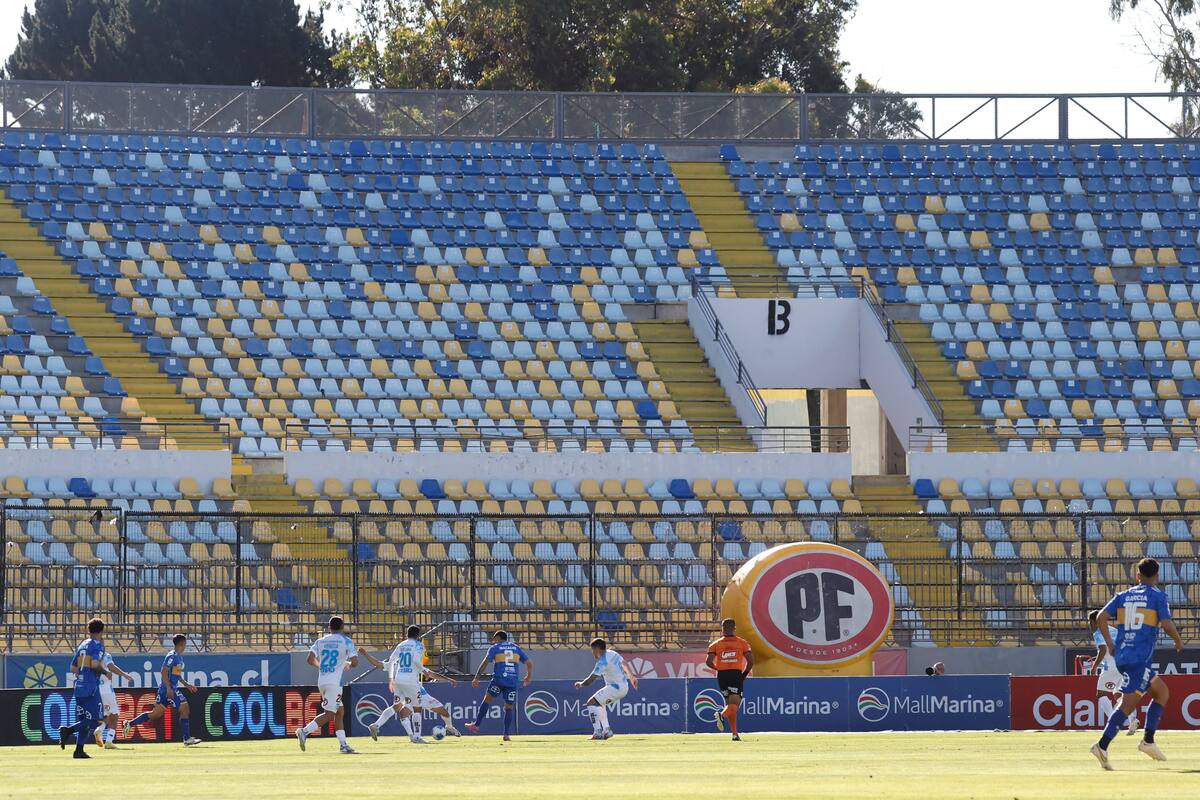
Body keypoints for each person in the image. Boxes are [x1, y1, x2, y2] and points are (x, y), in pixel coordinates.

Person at [1089, 558, 1184, 770]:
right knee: (1127, 705)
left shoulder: (1122, 596)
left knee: (1161, 692)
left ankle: (1148, 741)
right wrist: (1178, 640)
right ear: (1157, 577)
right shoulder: (1158, 596)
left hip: (1124, 656)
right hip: (1138, 658)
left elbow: (1101, 617)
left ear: (1138, 576)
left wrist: (1110, 644)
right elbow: (1166, 623)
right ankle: (1102, 746)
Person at [358, 625, 461, 743]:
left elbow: (384, 663)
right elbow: (422, 666)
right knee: (417, 708)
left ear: (407, 634)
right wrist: (425, 671)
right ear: (418, 636)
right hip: (411, 684)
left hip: (399, 681)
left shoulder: (400, 648)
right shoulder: (418, 647)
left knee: (396, 707)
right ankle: (416, 737)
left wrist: (365, 654)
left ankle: (376, 725)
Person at [123, 634, 200, 746]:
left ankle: (129, 724)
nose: (185, 646)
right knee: (185, 708)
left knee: (155, 714)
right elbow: (163, 671)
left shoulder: (179, 657)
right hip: (169, 688)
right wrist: (168, 687)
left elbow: (176, 674)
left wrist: (186, 684)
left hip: (167, 688)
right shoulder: (172, 656)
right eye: (185, 644)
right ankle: (187, 738)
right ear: (182, 644)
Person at [297, 615, 358, 754]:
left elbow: (310, 659)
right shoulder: (346, 641)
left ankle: (343, 745)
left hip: (323, 681)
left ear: (329, 627)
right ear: (342, 627)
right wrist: (348, 664)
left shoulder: (320, 641)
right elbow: (355, 662)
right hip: (335, 683)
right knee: (330, 713)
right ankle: (304, 731)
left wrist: (322, 667)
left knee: (340, 711)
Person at [464, 630, 532, 741]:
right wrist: (528, 677)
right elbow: (529, 663)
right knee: (509, 707)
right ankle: (506, 734)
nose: (494, 641)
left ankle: (476, 725)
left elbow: (485, 662)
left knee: (487, 699)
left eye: (495, 639)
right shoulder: (516, 648)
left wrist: (477, 677)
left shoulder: (495, 648)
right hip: (512, 681)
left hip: (499, 680)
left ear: (499, 638)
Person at [58, 617, 107, 759]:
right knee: (96, 720)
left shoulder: (83, 645)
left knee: (84, 721)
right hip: (90, 688)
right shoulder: (97, 645)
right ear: (102, 631)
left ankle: (79, 750)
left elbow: (73, 668)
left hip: (79, 686)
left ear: (89, 630)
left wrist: (83, 674)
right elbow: (95, 665)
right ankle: (67, 730)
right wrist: (106, 672)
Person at [1087, 609, 1137, 736]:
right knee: (1118, 695)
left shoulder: (1098, 632)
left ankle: (1113, 724)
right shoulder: (1113, 630)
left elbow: (1103, 650)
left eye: (1090, 622)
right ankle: (1133, 720)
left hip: (1112, 667)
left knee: (1101, 694)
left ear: (1094, 621)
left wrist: (1094, 666)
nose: (1089, 625)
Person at [575, 638, 637, 740]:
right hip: (624, 687)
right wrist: (632, 677)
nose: (592, 652)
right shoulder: (612, 653)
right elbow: (624, 663)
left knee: (591, 703)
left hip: (615, 688)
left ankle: (597, 732)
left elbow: (592, 678)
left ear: (597, 649)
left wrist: (581, 684)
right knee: (599, 704)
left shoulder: (602, 661)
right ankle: (607, 731)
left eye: (593, 649)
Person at [705, 618, 753, 741]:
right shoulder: (742, 643)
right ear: (734, 628)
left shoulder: (715, 644)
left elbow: (708, 662)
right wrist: (744, 675)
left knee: (730, 705)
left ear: (722, 629)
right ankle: (721, 714)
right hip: (735, 675)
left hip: (722, 676)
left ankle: (735, 734)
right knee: (735, 705)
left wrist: (719, 668)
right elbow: (750, 661)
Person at [94, 651, 134, 749]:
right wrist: (124, 674)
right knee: (115, 715)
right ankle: (109, 741)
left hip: (96, 690)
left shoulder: (91, 654)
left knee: (107, 716)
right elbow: (111, 666)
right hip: (106, 690)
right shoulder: (105, 654)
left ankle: (99, 729)